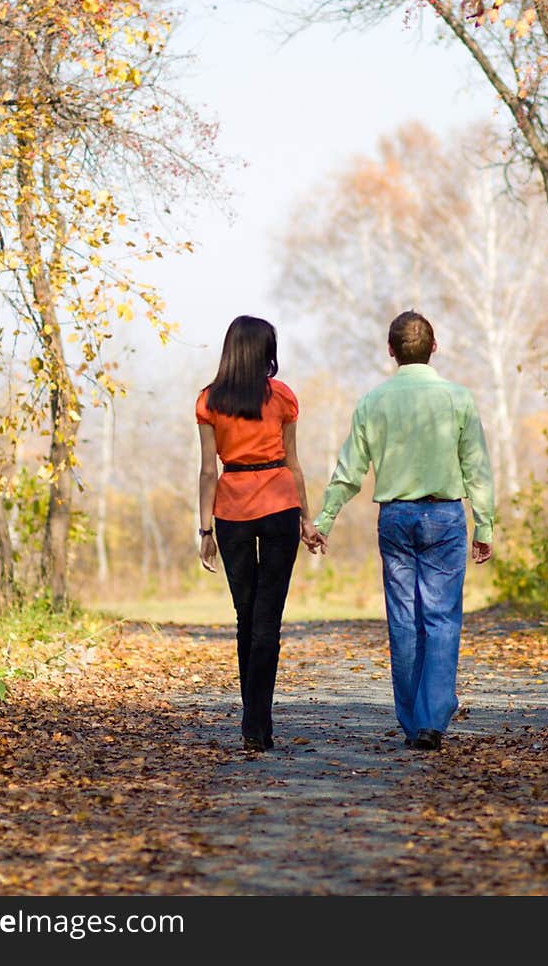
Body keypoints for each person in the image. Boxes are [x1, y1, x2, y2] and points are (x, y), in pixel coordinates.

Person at [311, 310, 495, 751]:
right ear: (434, 348)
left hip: (395, 519)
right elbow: (477, 468)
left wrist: (324, 520)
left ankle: (413, 724)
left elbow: (349, 471)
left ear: (391, 351)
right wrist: (484, 524)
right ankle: (433, 719)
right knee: (442, 617)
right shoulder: (458, 398)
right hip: (445, 518)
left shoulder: (373, 401)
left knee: (404, 620)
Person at [196, 314, 324, 752]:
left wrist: (204, 528)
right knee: (267, 620)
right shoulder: (282, 396)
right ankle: (257, 724)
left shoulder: (209, 400)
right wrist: (307, 519)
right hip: (280, 507)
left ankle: (253, 721)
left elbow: (207, 470)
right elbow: (293, 462)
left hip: (231, 509)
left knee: (245, 616)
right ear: (266, 351)